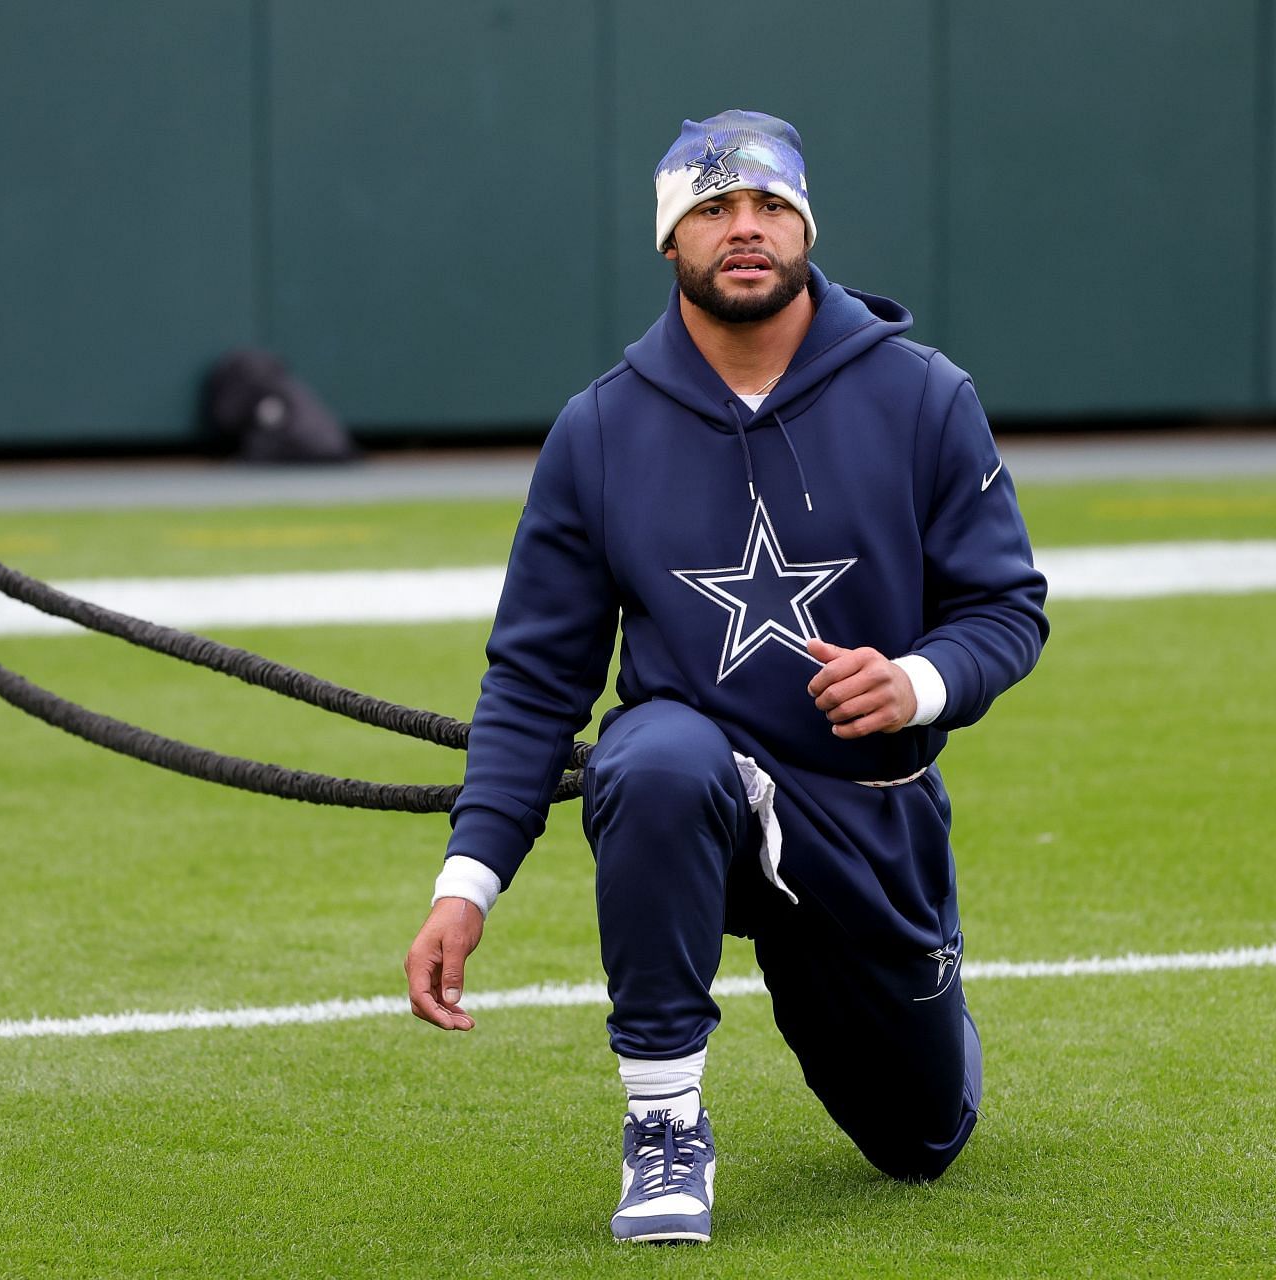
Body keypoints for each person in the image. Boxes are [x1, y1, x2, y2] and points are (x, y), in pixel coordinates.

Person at [403, 110, 1048, 1244]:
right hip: (691, 790)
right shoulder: (596, 432)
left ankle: (917, 1011)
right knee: (653, 753)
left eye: (765, 205)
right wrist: (469, 880)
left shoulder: (924, 396)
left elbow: (1004, 608)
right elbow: (535, 679)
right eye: (710, 209)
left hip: (864, 814)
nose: (740, 229)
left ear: (803, 224)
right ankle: (664, 1126)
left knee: (921, 1138)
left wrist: (916, 681)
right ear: (671, 241)